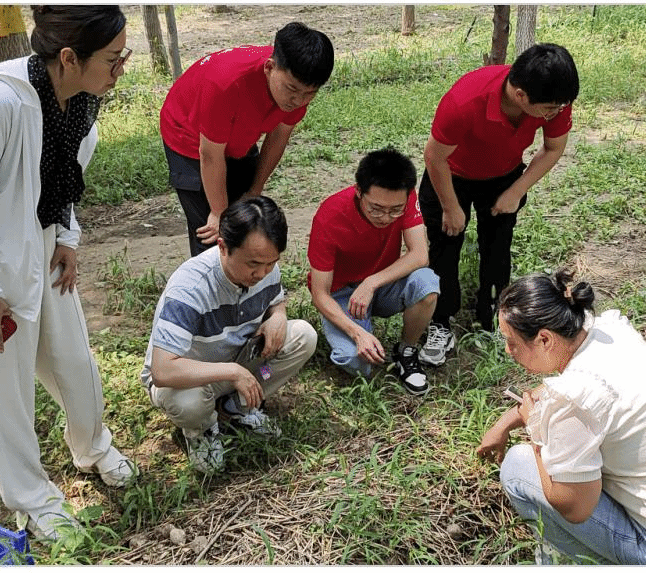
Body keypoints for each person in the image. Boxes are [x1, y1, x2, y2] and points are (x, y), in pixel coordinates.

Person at [0, 6, 137, 540]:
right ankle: (32, 500)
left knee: (74, 360)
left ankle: (93, 446)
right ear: (69, 57)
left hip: (41, 245)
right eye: (113, 58)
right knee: (4, 391)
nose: (121, 69)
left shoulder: (81, 103)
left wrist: (67, 238)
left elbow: (64, 181)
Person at [477, 270, 646, 565]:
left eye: (512, 342)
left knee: (518, 467)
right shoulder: (607, 332)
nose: (508, 351)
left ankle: (569, 559)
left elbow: (574, 509)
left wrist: (537, 430)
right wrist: (508, 421)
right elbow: (573, 388)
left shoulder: (573, 403)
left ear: (544, 339)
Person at [418, 43, 580, 367]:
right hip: (451, 175)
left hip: (503, 174)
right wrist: (451, 207)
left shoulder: (554, 101)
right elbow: (434, 157)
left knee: (497, 246)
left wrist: (516, 191)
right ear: (521, 95)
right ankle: (440, 322)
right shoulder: (465, 100)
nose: (556, 113)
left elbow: (553, 148)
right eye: (549, 109)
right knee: (445, 247)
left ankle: (493, 317)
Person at [141, 196, 317, 475]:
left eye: (271, 263)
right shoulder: (190, 288)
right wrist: (233, 372)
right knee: (187, 404)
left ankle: (238, 407)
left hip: (243, 364)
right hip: (192, 379)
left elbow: (276, 299)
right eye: (254, 263)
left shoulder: (266, 269)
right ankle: (202, 428)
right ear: (223, 247)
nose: (262, 273)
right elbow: (162, 370)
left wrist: (278, 315)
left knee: (302, 337)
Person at [160, 21, 334, 257]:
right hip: (188, 134)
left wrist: (255, 188)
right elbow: (210, 155)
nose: (299, 101)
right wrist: (218, 212)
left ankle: (249, 276)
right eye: (292, 90)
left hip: (238, 131)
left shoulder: (296, 86)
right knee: (216, 237)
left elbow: (279, 137)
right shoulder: (226, 84)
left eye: (309, 94)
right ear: (269, 67)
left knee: (250, 223)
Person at [307, 148, 440, 396]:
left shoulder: (406, 196)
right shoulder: (330, 216)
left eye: (395, 210)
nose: (386, 217)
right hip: (342, 294)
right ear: (359, 191)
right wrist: (358, 334)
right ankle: (356, 331)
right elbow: (320, 294)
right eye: (376, 208)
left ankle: (406, 351)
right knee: (354, 360)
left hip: (382, 283)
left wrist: (371, 283)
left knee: (427, 283)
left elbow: (420, 255)